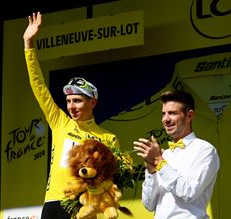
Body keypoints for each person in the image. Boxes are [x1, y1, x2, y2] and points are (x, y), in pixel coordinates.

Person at [23, 12, 120, 219]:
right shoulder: (60, 121)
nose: (71, 106)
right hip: (53, 203)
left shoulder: (108, 139)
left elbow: (110, 183)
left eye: (77, 100)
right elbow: (38, 87)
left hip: (83, 206)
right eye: (68, 101)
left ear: (92, 102)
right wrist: (28, 44)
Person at [133, 90, 220, 219]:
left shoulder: (205, 150)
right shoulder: (165, 155)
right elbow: (149, 205)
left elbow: (189, 192)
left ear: (190, 115)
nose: (166, 119)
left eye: (172, 113)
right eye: (164, 114)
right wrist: (151, 172)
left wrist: (159, 161)